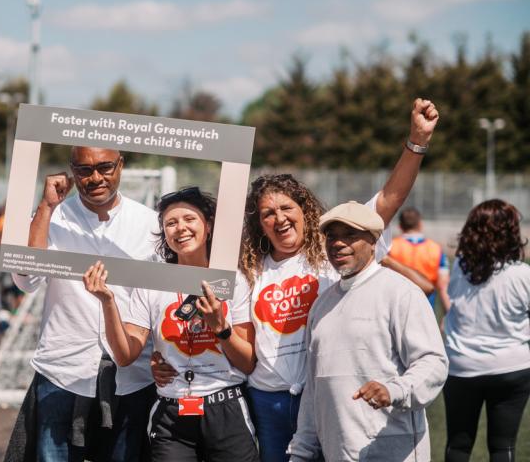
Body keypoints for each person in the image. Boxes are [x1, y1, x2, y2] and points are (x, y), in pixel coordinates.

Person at [150, 98, 440, 461]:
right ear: (259, 223)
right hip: (266, 399)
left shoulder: (333, 250)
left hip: (324, 395)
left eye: (288, 208)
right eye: (269, 213)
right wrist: (164, 358)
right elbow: (187, 286)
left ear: (305, 210)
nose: (280, 218)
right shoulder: (247, 266)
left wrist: (416, 142)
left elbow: (386, 201)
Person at [6, 146, 159, 462]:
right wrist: (46, 207)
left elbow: (162, 299)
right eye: (84, 169)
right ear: (71, 170)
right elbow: (26, 279)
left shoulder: (150, 224)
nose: (95, 177)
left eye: (105, 166)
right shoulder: (51, 216)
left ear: (121, 164)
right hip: (63, 368)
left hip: (131, 375)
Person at [83, 187, 258, 461]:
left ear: (208, 227)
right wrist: (108, 302)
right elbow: (125, 355)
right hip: (171, 413)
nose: (180, 228)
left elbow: (247, 362)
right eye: (171, 223)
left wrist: (220, 328)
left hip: (226, 408)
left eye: (190, 219)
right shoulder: (153, 282)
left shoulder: (232, 280)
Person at [288, 201, 448, 461]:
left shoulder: (400, 292)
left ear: (374, 241)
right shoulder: (321, 305)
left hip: (393, 451)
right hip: (337, 453)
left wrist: (394, 390)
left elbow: (433, 362)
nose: (338, 243)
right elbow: (314, 389)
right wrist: (301, 451)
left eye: (350, 235)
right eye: (331, 236)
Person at [442, 200, 530, 462]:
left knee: (458, 445)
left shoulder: (460, 267)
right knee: (503, 446)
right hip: (512, 368)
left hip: (461, 366)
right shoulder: (523, 275)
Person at [388, 206, 449, 309]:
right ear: (420, 224)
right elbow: (443, 286)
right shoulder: (436, 249)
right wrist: (448, 314)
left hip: (397, 308)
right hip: (426, 309)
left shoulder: (390, 248)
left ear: (400, 226)